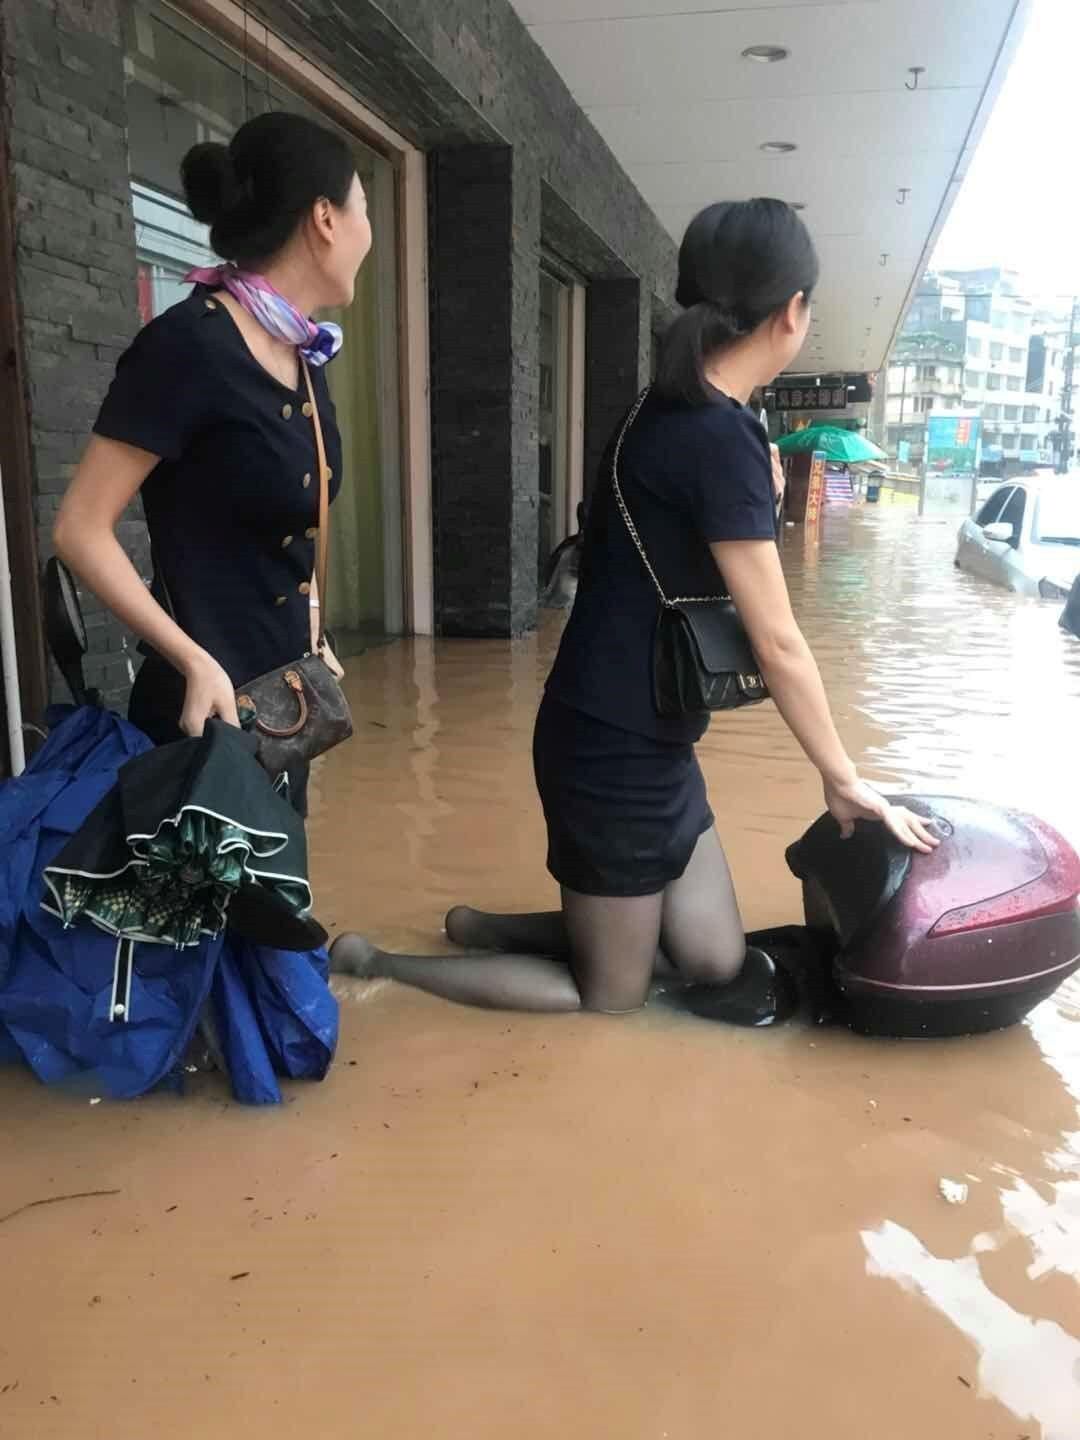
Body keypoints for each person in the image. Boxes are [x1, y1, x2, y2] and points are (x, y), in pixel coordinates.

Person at [331, 198, 938, 1013]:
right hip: (609, 747)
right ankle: (382, 966)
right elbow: (779, 641)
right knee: (610, 997)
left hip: (648, 737)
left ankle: (482, 925)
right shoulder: (715, 435)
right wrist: (842, 777)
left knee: (713, 960)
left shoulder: (672, 413)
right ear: (792, 311)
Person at [54, 110, 372, 814]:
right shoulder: (187, 348)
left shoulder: (303, 356)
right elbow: (79, 529)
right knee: (205, 920)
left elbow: (277, 538)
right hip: (199, 720)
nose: (367, 232)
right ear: (324, 217)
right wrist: (194, 659)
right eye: (363, 209)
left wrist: (313, 637)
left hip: (284, 710)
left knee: (276, 907)